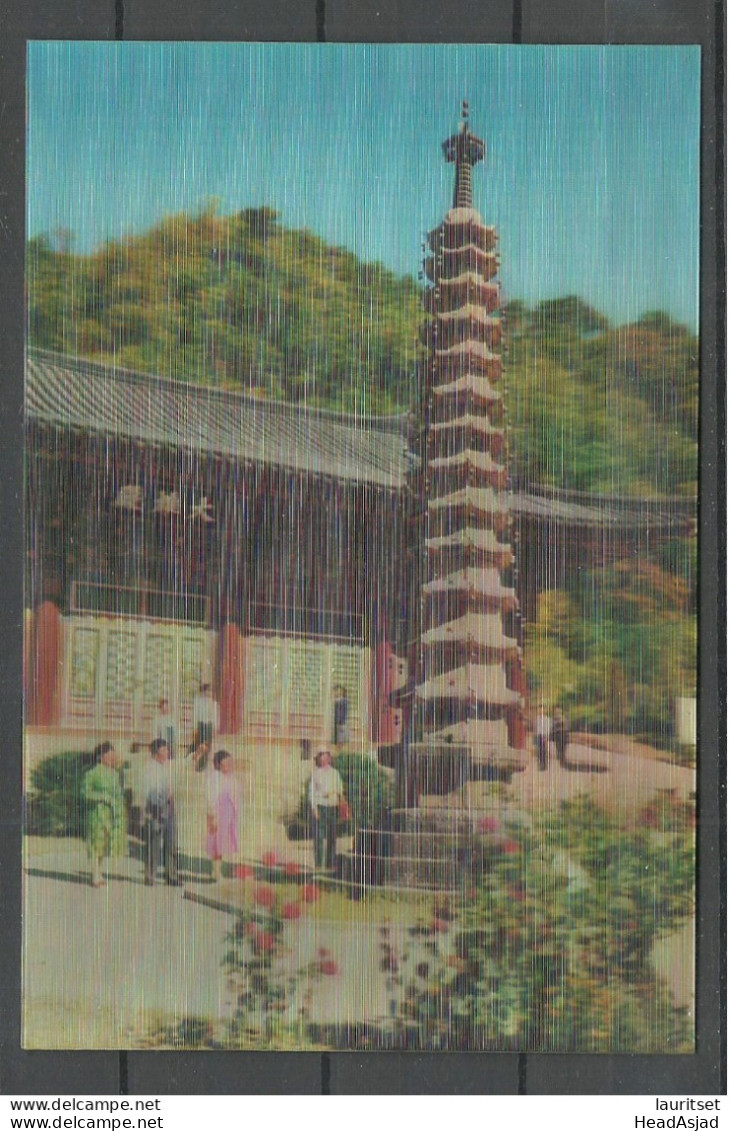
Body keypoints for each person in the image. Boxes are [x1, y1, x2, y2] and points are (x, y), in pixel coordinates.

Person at [81, 742, 126, 888]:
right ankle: (95, 875)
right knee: (95, 843)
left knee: (104, 845)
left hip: (110, 814)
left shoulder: (115, 774)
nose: (113, 757)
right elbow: (84, 793)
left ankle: (98, 871)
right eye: (110, 755)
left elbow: (119, 794)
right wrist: (102, 796)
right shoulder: (92, 773)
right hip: (96, 813)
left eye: (114, 754)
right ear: (101, 757)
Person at [142, 738, 179, 887]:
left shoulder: (169, 766)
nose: (167, 752)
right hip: (155, 808)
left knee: (171, 842)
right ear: (156, 752)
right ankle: (150, 875)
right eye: (163, 750)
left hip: (169, 807)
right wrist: (158, 804)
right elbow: (148, 791)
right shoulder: (149, 768)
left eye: (167, 749)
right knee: (154, 842)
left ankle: (171, 875)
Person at [206, 750, 240, 882]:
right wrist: (213, 817)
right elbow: (211, 798)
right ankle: (216, 872)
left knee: (225, 844)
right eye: (226, 763)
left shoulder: (231, 778)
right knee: (216, 844)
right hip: (218, 815)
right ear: (219, 765)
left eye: (230, 763)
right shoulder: (215, 778)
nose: (229, 766)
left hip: (229, 815)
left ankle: (221, 870)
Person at [309, 749, 345, 870]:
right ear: (319, 759)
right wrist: (314, 809)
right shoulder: (316, 774)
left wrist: (342, 805)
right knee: (319, 837)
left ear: (329, 758)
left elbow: (340, 790)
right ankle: (319, 865)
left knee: (332, 836)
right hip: (321, 806)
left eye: (326, 756)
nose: (324, 759)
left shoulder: (335, 773)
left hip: (332, 807)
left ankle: (331, 865)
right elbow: (312, 793)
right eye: (321, 756)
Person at [332, 684, 350, 749]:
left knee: (340, 740)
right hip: (338, 722)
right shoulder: (340, 700)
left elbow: (344, 713)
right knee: (338, 739)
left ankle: (340, 750)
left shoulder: (344, 701)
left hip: (341, 723)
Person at [535, 706, 552, 772]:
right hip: (538, 736)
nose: (540, 711)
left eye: (541, 710)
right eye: (539, 710)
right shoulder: (537, 719)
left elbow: (548, 728)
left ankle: (544, 765)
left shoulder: (547, 719)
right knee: (539, 751)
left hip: (544, 735)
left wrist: (546, 736)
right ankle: (540, 765)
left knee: (544, 750)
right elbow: (536, 728)